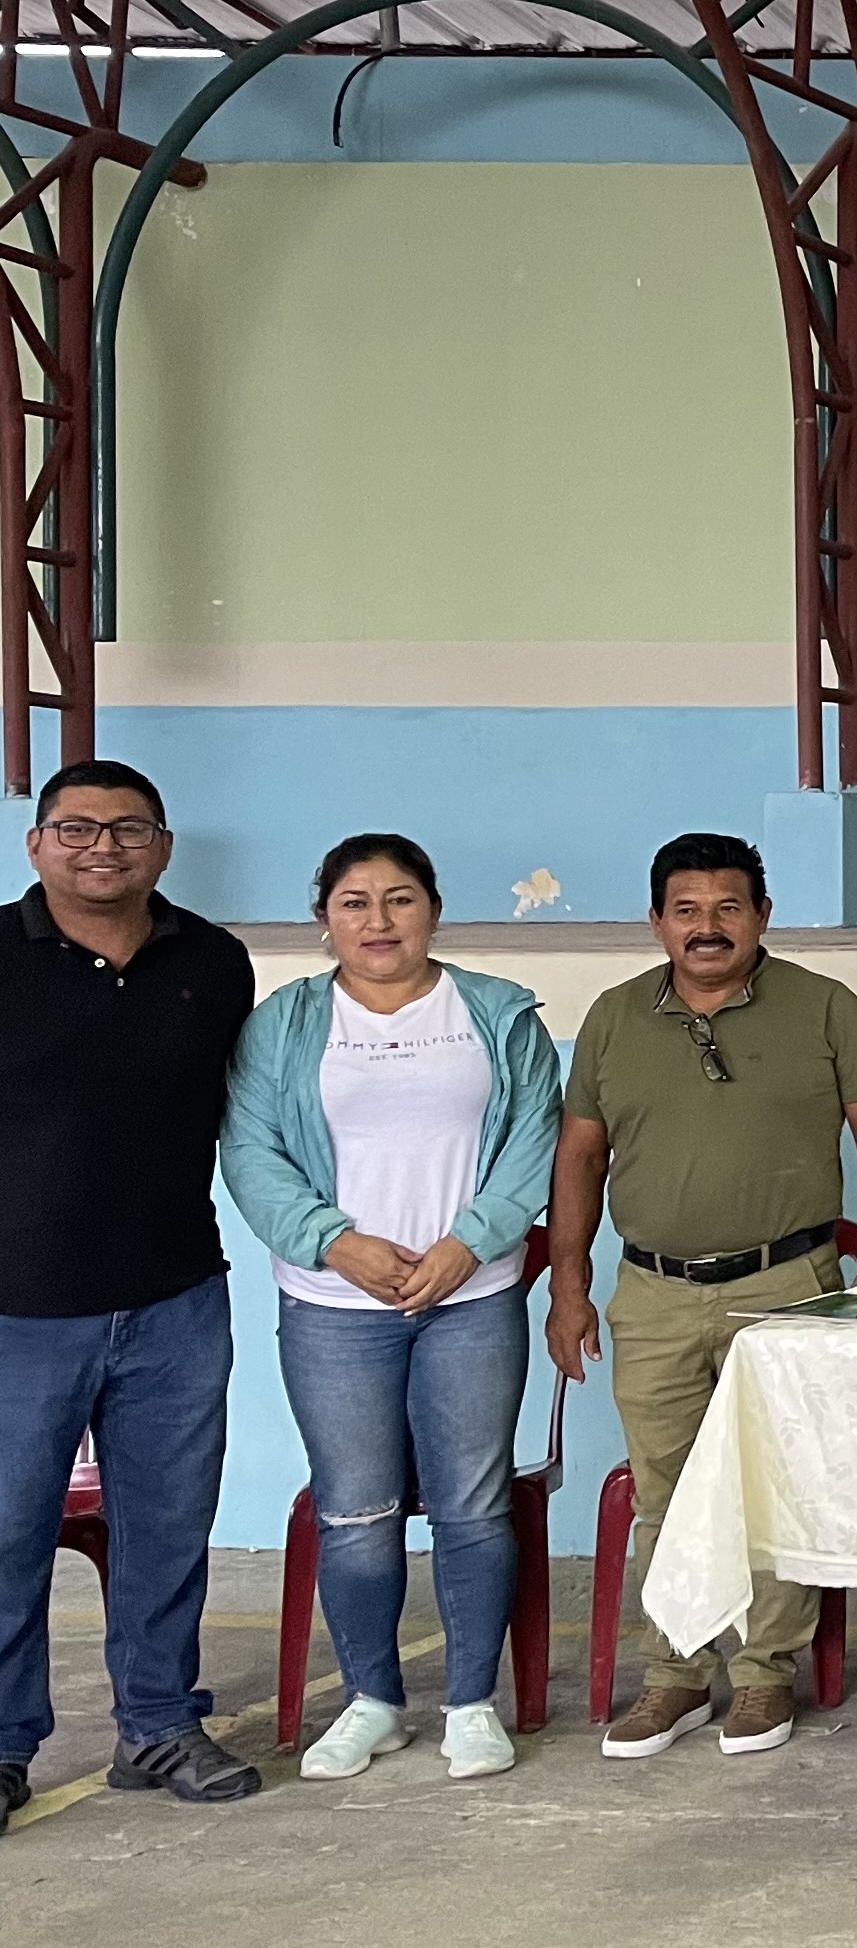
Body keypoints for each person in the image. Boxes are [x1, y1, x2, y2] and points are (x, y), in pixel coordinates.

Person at [220, 833, 563, 1783]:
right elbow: (249, 1150)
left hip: (471, 1299)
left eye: (401, 899)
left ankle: (471, 1705)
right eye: (355, 902)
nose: (379, 921)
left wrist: (468, 1244)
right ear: (324, 918)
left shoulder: (495, 1013)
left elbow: (536, 1137)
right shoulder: (284, 1024)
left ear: (433, 911)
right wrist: (335, 1242)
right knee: (356, 1512)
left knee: (473, 1506)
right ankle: (373, 1701)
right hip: (334, 1306)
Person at [556, 833, 857, 1764]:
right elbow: (580, 1154)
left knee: (773, 1485)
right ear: (657, 922)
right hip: (653, 1292)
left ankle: (763, 1675)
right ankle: (675, 1674)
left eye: (727, 908)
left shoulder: (823, 1006)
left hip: (788, 1285)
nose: (706, 928)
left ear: (762, 916)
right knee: (666, 1493)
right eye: (686, 910)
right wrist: (570, 1285)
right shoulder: (614, 1017)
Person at [0, 761, 262, 1823]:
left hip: (175, 1299)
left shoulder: (214, 961)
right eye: (77, 828)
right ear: (36, 845)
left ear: (162, 846)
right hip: (19, 1309)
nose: (102, 846)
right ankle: (4, 1746)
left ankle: (157, 1727)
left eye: (128, 828)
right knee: (6, 1535)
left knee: (166, 1528)